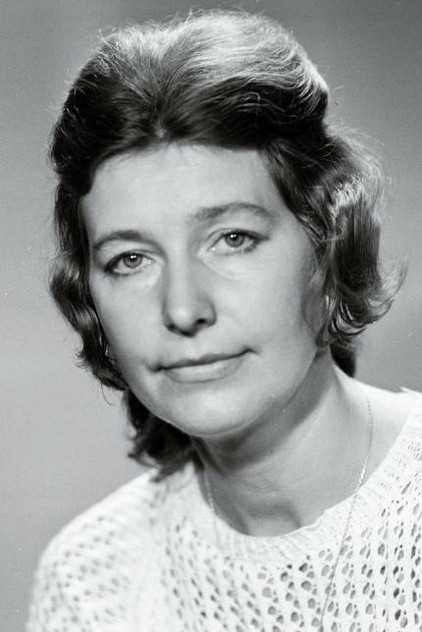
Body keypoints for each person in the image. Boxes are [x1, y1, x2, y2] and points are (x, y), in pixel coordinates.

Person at [27, 10, 422, 632]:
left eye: (233, 238)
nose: (183, 309)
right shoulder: (90, 582)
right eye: (130, 259)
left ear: (328, 244)